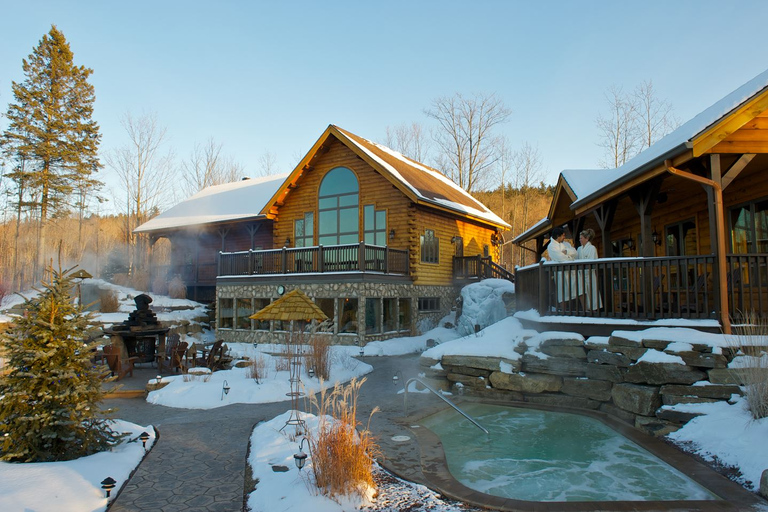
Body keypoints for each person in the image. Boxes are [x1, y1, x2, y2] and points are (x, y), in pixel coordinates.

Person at [547, 227, 577, 305]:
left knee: (573, 292)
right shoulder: (551, 246)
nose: (564, 237)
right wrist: (571, 258)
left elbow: (575, 252)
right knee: (562, 294)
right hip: (560, 273)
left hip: (570, 272)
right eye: (563, 235)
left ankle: (570, 312)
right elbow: (560, 258)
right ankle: (563, 313)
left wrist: (567, 251)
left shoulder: (565, 244)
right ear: (558, 236)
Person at [577, 228, 602, 310]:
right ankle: (586, 310)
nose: (580, 240)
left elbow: (593, 261)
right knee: (583, 292)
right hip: (581, 275)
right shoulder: (579, 249)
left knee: (592, 292)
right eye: (580, 238)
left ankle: (593, 309)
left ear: (586, 239)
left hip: (590, 274)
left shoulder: (592, 248)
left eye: (581, 238)